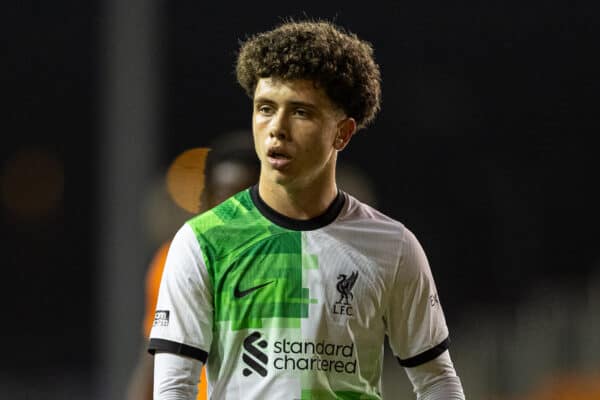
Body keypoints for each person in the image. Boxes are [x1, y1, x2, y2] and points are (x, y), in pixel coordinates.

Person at [149, 19, 465, 399]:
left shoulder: (393, 246)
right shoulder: (202, 242)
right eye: (265, 108)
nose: (276, 128)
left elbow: (436, 379)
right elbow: (173, 386)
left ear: (342, 133)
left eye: (300, 112)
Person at [126, 130, 260, 400]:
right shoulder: (176, 259)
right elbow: (154, 355)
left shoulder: (293, 258)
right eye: (224, 196)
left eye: (244, 198)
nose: (232, 211)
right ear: (208, 199)